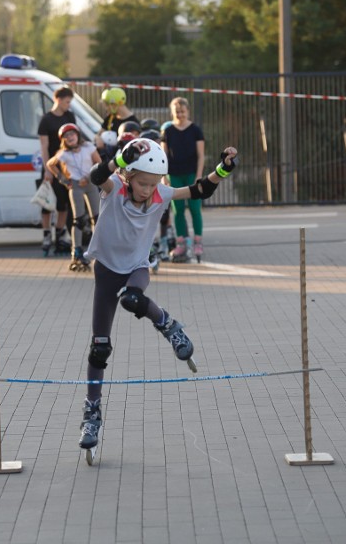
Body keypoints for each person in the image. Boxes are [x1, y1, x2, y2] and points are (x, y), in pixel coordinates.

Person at [78, 138, 238, 459]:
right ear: (129, 177)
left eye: (153, 184)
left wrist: (223, 168)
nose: (147, 190)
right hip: (106, 273)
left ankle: (167, 324)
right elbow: (96, 177)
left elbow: (200, 189)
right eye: (141, 183)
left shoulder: (161, 193)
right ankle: (92, 414)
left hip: (137, 268)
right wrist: (118, 162)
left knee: (133, 300)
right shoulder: (114, 189)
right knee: (99, 348)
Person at [46, 123, 102, 271]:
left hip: (90, 184)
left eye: (72, 134)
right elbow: (50, 164)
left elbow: (99, 163)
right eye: (66, 136)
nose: (70, 138)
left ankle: (97, 248)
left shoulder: (88, 147)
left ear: (77, 135)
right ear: (63, 139)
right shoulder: (63, 153)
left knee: (96, 218)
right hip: (76, 185)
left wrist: (89, 177)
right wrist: (62, 179)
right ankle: (76, 250)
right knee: (79, 220)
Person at [161, 97, 206, 262]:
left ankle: (198, 241)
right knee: (178, 210)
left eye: (182, 111)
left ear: (188, 111)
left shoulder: (195, 130)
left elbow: (201, 155)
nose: (180, 114)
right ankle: (181, 242)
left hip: (192, 174)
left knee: (195, 209)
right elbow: (163, 156)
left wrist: (199, 176)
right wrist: (164, 177)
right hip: (175, 175)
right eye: (177, 112)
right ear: (172, 112)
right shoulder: (168, 131)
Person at [37, 86, 76, 255]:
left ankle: (60, 234)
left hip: (66, 167)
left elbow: (74, 140)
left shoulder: (70, 117)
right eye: (67, 102)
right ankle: (46, 235)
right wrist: (47, 170)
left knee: (63, 203)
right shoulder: (46, 120)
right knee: (47, 202)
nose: (69, 105)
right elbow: (44, 147)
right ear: (58, 100)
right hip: (50, 165)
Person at [95, 87, 140, 157]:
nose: (106, 108)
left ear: (114, 104)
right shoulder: (110, 118)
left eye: (107, 105)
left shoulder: (133, 123)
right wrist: (98, 139)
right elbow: (98, 135)